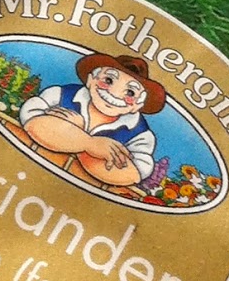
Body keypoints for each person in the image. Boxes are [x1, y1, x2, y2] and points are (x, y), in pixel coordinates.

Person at [18, 52, 167, 188]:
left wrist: (69, 135)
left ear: (137, 105)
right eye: (108, 80)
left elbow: (132, 174)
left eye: (130, 92)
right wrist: (90, 144)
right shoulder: (61, 94)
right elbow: (31, 120)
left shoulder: (140, 135)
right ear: (91, 80)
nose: (114, 94)